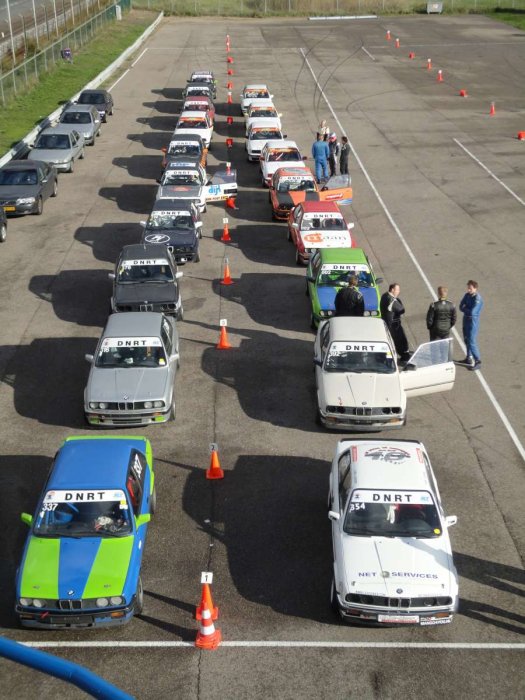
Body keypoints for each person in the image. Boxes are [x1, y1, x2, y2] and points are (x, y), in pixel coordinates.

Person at [380, 283, 410, 362]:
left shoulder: (384, 296)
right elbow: (401, 309)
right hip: (393, 324)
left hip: (387, 322)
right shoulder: (391, 300)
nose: (398, 292)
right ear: (392, 290)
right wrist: (398, 301)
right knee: (399, 340)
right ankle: (404, 356)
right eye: (397, 290)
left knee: (392, 340)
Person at [459, 280, 483, 370]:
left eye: (470, 288)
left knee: (472, 341)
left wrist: (466, 309)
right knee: (466, 339)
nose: (468, 290)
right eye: (468, 288)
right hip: (466, 319)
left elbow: (473, 312)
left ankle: (478, 361)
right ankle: (469, 357)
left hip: (473, 321)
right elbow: (460, 306)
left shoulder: (478, 299)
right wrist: (467, 310)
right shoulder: (467, 295)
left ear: (475, 288)